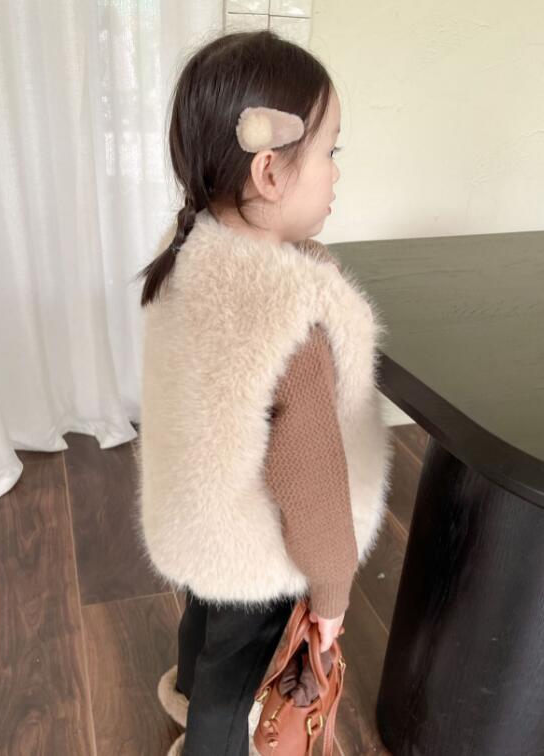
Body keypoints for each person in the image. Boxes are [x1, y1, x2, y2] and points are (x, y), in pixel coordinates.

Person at [134, 29, 394, 756]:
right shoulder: (291, 318)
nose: (336, 174)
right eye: (331, 151)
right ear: (271, 171)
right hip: (254, 542)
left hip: (198, 508)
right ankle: (211, 739)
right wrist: (331, 593)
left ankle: (187, 688)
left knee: (205, 619)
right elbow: (310, 477)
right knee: (237, 667)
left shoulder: (190, 253)